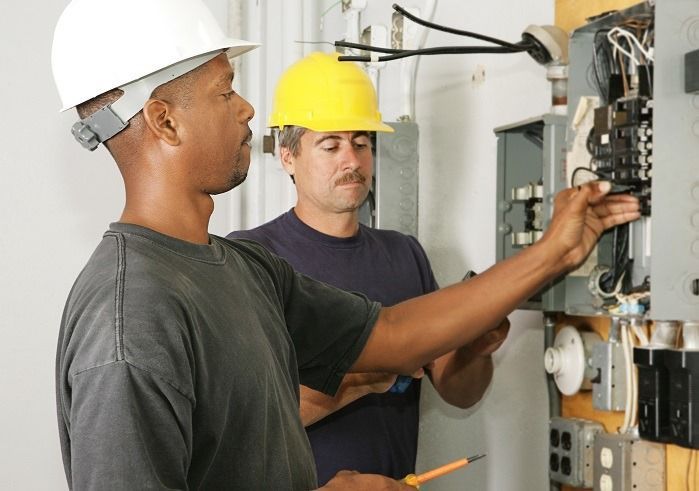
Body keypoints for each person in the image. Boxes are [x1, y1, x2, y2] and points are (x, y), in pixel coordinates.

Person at [51, 0, 640, 489]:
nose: (248, 108)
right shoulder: (128, 321)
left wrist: (558, 252)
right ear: (165, 121)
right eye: (225, 91)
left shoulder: (243, 270)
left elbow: (394, 336)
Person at [228, 52, 510, 485]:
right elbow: (247, 420)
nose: (352, 161)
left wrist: (476, 347)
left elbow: (459, 392)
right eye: (331, 145)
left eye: (361, 143)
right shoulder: (253, 257)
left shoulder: (404, 255)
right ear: (288, 156)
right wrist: (371, 371)